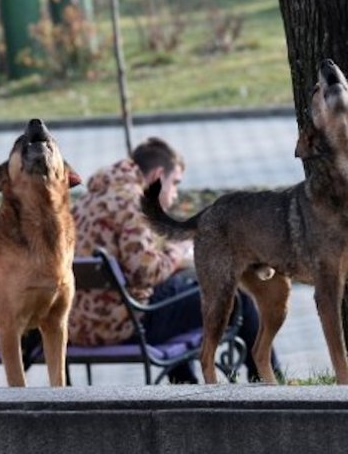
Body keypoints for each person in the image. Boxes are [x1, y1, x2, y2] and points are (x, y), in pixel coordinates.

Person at [68, 137, 278, 383]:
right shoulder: (134, 202)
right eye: (175, 183)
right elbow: (146, 271)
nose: (175, 195)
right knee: (237, 296)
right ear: (158, 175)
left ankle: (187, 387)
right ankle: (268, 380)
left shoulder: (89, 199)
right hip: (124, 325)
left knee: (180, 297)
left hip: (80, 324)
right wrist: (178, 251)